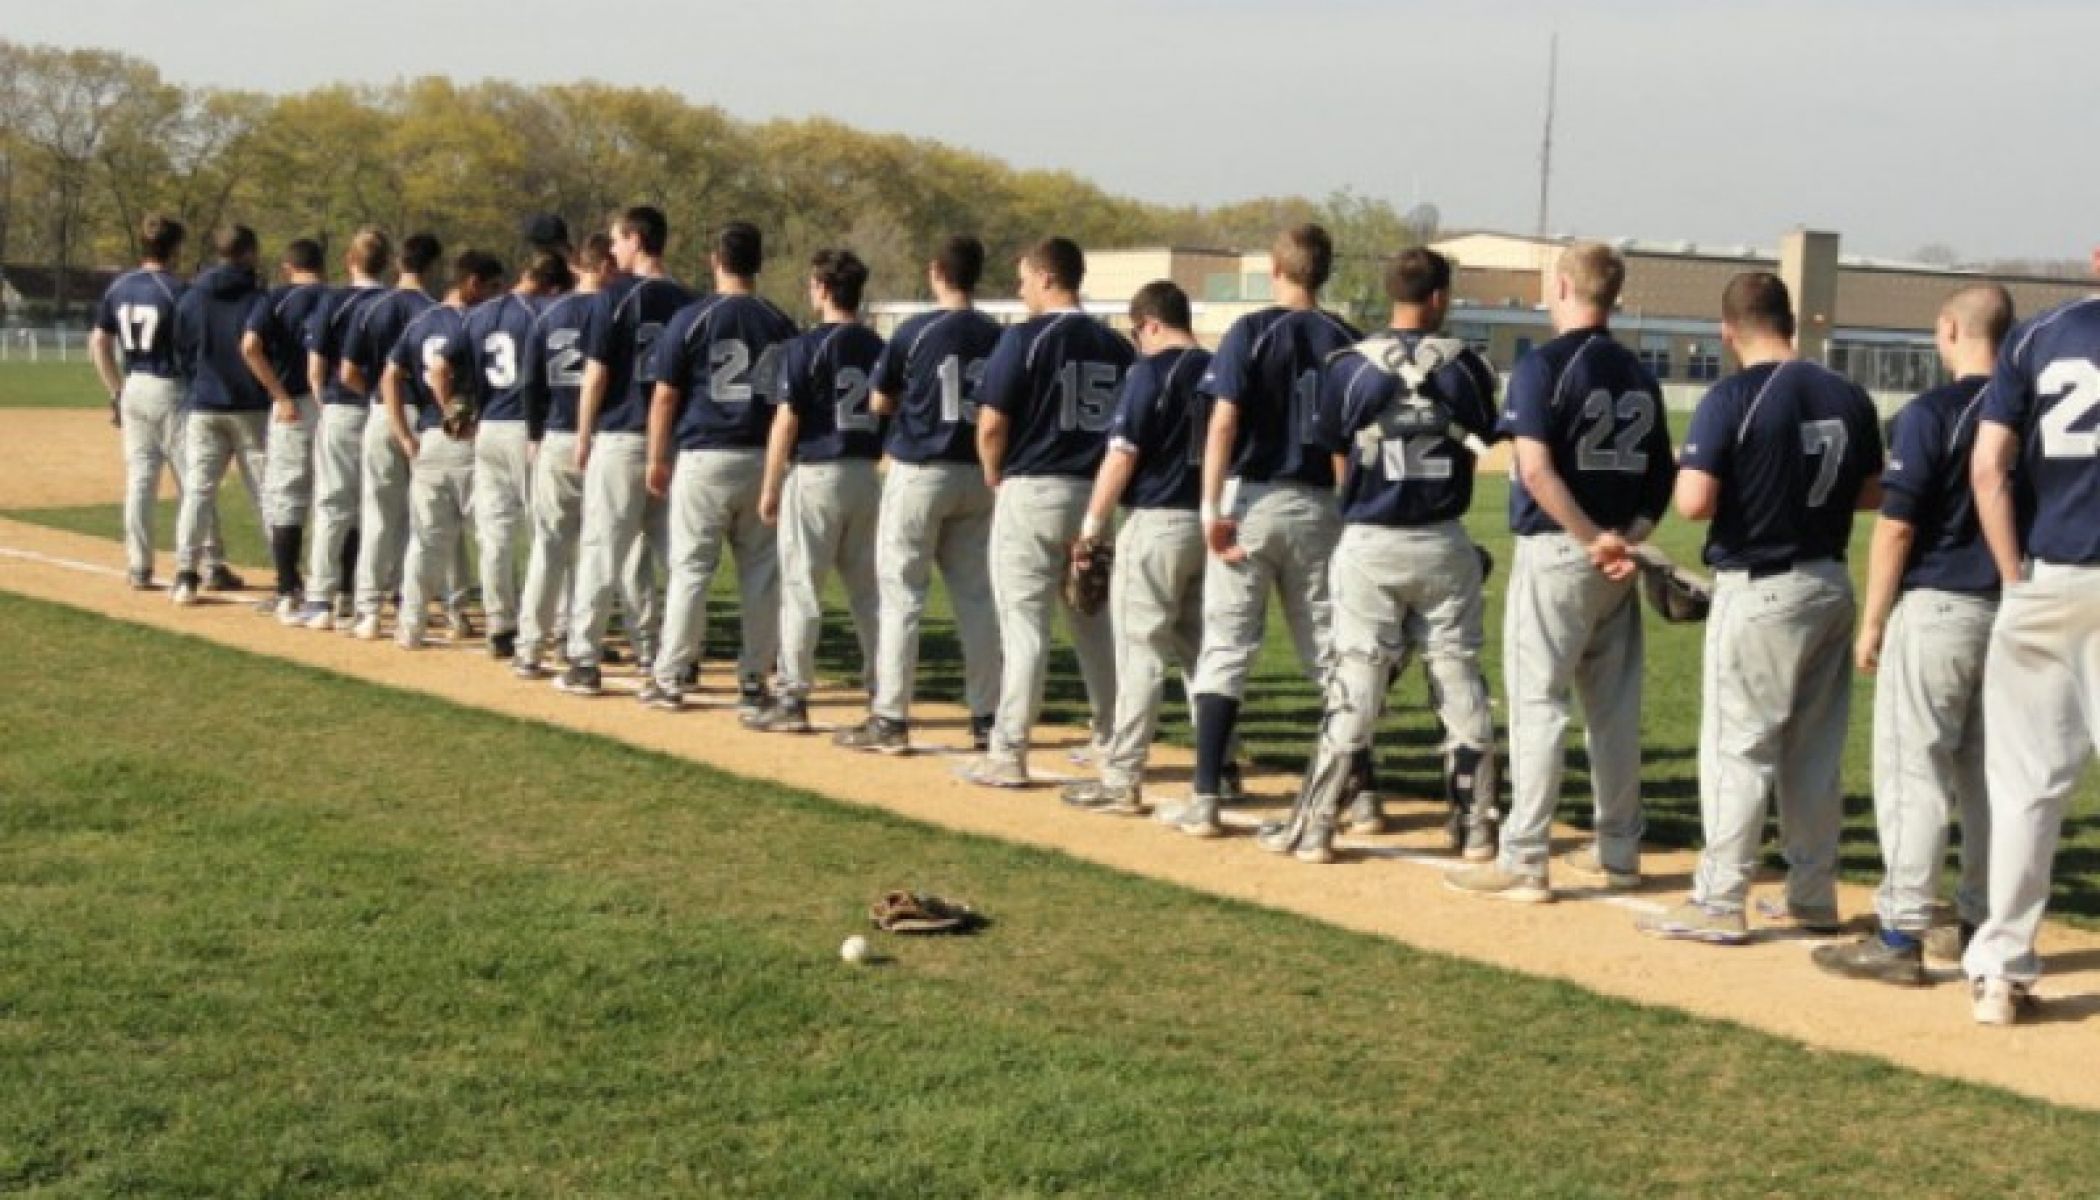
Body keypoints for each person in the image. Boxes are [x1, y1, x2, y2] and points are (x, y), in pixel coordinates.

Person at [1638, 272, 1883, 945]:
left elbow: (1693, 501)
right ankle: (1811, 896)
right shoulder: (1847, 393)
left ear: (1727, 329)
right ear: (1792, 322)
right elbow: (1873, 491)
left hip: (1761, 585)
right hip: (1830, 581)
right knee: (1812, 753)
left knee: (1738, 747)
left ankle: (1719, 899)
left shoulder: (1734, 395)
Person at [1256, 247, 1503, 862]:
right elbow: (1476, 447)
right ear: (1440, 297)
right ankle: (1476, 826)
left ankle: (1318, 825)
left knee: (1356, 681)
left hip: (1370, 536)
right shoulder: (1468, 367)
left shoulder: (1350, 367)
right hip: (1444, 535)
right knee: (1458, 675)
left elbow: (1338, 458)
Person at [1447, 241, 1674, 903]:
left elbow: (1538, 471)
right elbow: (1662, 477)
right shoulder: (1637, 370)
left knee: (1538, 704)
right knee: (1613, 711)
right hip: (1618, 561)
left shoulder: (1543, 365)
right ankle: (1620, 851)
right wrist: (1627, 538)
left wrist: (1589, 538)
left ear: (1566, 287)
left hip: (1560, 550)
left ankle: (1525, 857)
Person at [1811, 285, 2010, 986]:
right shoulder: (2030, 414)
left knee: (1913, 772)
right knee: (1988, 780)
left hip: (1939, 608)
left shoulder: (1935, 412)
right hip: (2012, 613)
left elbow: (1896, 524)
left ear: (1951, 330)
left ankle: (1900, 932)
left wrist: (1872, 621)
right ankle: (1983, 923)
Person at [1181, 225, 1360, 834]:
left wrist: (1210, 508)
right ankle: (1360, 792)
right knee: (1331, 653)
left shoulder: (1252, 332)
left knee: (1228, 647)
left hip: (1255, 499)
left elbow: (1224, 421)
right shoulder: (1348, 340)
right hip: (1323, 505)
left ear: (1276, 268)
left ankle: (1206, 795)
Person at [1961, 289, 2100, 1025]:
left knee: (2025, 787)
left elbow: (1988, 467)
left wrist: (2013, 574)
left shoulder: (2039, 334)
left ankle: (2000, 974)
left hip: (2049, 578)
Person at [957, 236, 1131, 788]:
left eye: (1026, 276)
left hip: (1034, 488)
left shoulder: (1027, 338)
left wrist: (991, 469)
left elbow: (990, 421)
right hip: (1095, 492)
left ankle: (1009, 750)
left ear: (1049, 277)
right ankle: (1110, 739)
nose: (1021, 286)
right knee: (1093, 622)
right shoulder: (1115, 344)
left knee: (1025, 625)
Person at [832, 235, 1003, 755]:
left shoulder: (916, 329)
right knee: (975, 597)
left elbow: (880, 400)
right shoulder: (999, 334)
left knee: (902, 594)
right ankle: (987, 716)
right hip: (978, 473)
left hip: (922, 467)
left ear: (936, 272)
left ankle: (890, 716)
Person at [1059, 280, 1211, 815]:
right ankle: (1221, 766)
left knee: (1141, 652)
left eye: (1137, 330)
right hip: (1209, 523)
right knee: (1204, 655)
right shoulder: (1218, 370)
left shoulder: (1150, 371)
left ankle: (1122, 777)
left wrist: (1094, 525)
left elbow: (1121, 456)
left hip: (1155, 523)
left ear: (1149, 323)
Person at [635, 221, 798, 711]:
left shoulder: (692, 317)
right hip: (762, 455)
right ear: (758, 263)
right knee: (761, 574)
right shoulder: (778, 319)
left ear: (715, 260)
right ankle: (755, 678)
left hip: (705, 453)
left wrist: (657, 455)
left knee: (690, 569)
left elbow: (665, 396)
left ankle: (670, 676)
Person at [556, 206, 694, 694]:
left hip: (621, 436)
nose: (612, 250)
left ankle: (584, 660)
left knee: (602, 548)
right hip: (674, 443)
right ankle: (675, 657)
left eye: (618, 240)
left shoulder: (613, 296)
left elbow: (595, 375)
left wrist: (582, 434)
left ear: (636, 239)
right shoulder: (687, 299)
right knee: (678, 556)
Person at [745, 248, 884, 731]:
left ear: (824, 290)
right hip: (866, 473)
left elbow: (787, 421)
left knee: (803, 587)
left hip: (818, 471)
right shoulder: (876, 345)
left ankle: (793, 697)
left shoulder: (805, 347)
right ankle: (883, 691)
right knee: (869, 592)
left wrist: (769, 485)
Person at [91, 214, 229, 591]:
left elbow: (99, 341)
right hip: (172, 386)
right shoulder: (178, 291)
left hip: (134, 384)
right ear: (176, 248)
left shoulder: (119, 287)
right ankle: (212, 562)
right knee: (194, 479)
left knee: (140, 479)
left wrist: (115, 390)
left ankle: (139, 565)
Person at [382, 250, 506, 648]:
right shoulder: (474, 321)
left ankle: (411, 625)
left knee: (428, 539)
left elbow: (390, 377)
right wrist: (453, 411)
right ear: (472, 282)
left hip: (430, 441)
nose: (494, 295)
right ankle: (502, 626)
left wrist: (403, 433)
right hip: (465, 438)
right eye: (491, 286)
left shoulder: (421, 320)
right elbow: (440, 371)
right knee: (489, 536)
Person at [514, 234, 619, 677]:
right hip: (604, 436)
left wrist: (534, 433)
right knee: (601, 547)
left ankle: (530, 647)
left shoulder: (549, 314)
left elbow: (530, 383)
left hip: (557, 433)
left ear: (579, 266)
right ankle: (579, 641)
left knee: (550, 546)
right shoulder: (617, 311)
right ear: (608, 267)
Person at [467, 247, 572, 660]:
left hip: (488, 425)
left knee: (494, 532)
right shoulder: (545, 314)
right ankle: (560, 627)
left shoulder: (479, 315)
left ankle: (500, 624)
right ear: (551, 284)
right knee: (549, 532)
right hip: (528, 427)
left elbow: (453, 369)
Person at [293, 227, 392, 629]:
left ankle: (321, 597)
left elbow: (315, 367)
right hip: (386, 411)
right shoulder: (394, 302)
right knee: (379, 507)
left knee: (333, 504)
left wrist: (323, 401)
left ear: (350, 260)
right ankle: (363, 596)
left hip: (343, 408)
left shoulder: (333, 301)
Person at [343, 232, 441, 639]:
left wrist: (377, 395)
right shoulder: (436, 311)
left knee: (379, 514)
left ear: (398, 263)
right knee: (423, 517)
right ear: (432, 266)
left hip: (384, 414)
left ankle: (367, 609)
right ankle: (413, 598)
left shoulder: (372, 307)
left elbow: (347, 372)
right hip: (425, 419)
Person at [168, 224, 272, 606]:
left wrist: (199, 379)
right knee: (265, 492)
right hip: (251, 405)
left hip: (204, 403)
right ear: (249, 252)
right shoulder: (258, 295)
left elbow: (181, 347)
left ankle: (185, 575)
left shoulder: (193, 294)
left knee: (197, 491)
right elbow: (264, 345)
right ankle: (287, 576)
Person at [240, 237, 330, 620]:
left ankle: (288, 589)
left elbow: (249, 346)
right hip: (334, 406)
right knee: (336, 496)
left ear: (288, 267)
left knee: (287, 495)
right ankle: (337, 590)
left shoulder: (276, 298)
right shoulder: (336, 297)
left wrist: (278, 395)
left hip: (292, 403)